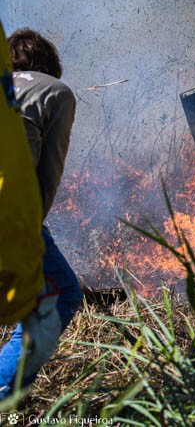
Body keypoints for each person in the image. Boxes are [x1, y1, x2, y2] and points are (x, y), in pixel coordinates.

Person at [0, 28, 83, 397]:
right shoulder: (55, 90)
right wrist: (31, 230)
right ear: (49, 63)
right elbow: (49, 171)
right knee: (61, 292)